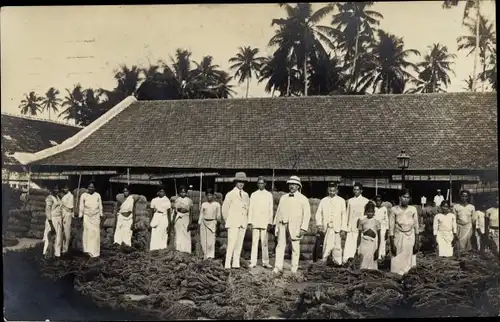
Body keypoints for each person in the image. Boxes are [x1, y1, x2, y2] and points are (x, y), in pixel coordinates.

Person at [273, 176, 311, 275]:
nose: (292, 186)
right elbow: (278, 212)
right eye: (290, 184)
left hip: (295, 226)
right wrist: (275, 225)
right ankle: (278, 267)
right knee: (280, 245)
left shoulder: (303, 199)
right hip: (282, 224)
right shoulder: (283, 197)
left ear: (298, 186)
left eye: (294, 184)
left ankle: (294, 268)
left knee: (295, 246)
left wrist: (303, 228)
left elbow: (307, 214)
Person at [222, 172, 250, 269]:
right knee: (231, 244)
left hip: (242, 223)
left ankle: (236, 263)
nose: (241, 184)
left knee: (239, 244)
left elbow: (247, 209)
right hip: (233, 223)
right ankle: (227, 263)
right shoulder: (230, 194)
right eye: (239, 181)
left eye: (243, 182)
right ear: (235, 182)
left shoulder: (246, 195)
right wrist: (228, 220)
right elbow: (224, 210)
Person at [389, 189, 419, 276]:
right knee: (397, 259)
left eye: (407, 197)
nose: (405, 199)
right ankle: (396, 279)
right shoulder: (394, 210)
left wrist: (417, 242)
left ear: (410, 199)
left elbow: (416, 226)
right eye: (404, 197)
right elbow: (391, 228)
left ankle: (408, 279)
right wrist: (392, 244)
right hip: (398, 237)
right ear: (400, 198)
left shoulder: (413, 209)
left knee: (409, 260)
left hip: (410, 237)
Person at [315, 182, 347, 265]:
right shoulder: (323, 201)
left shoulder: (341, 201)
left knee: (337, 246)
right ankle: (324, 260)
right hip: (328, 227)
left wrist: (343, 229)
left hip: (337, 228)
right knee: (326, 245)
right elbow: (318, 213)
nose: (332, 192)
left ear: (337, 190)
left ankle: (338, 263)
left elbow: (344, 215)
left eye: (333, 191)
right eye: (330, 190)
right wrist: (319, 224)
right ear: (328, 190)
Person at [248, 177, 274, 269]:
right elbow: (250, 208)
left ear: (265, 184)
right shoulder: (253, 195)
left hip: (265, 222)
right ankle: (253, 261)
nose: (260, 185)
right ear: (257, 184)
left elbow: (271, 210)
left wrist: (270, 222)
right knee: (254, 242)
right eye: (259, 183)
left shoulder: (269, 195)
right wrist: (250, 222)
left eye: (262, 183)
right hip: (255, 221)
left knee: (264, 242)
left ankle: (265, 262)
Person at [343, 182, 369, 264]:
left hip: (360, 227)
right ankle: (347, 261)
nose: (356, 191)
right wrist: (345, 226)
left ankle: (358, 262)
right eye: (354, 190)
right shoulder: (350, 201)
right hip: (351, 226)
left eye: (357, 190)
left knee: (359, 244)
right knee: (349, 245)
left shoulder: (365, 201)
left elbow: (366, 215)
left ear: (361, 191)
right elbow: (347, 214)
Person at [78, 181, 104, 258]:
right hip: (87, 217)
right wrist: (80, 216)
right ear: (87, 187)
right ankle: (88, 251)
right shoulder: (84, 195)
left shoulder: (97, 195)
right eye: (89, 186)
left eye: (92, 187)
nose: (91, 188)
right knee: (87, 234)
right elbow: (81, 207)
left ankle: (95, 252)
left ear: (95, 188)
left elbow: (100, 207)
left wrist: (101, 216)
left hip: (95, 217)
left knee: (95, 234)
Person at [357, 202, 381, 270]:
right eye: (368, 212)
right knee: (363, 260)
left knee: (371, 260)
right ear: (365, 212)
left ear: (374, 212)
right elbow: (359, 236)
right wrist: (357, 248)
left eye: (371, 212)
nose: (370, 213)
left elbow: (379, 237)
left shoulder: (377, 222)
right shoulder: (362, 221)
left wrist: (378, 250)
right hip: (364, 243)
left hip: (372, 243)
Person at [198, 188, 222, 259]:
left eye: (210, 195)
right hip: (204, 223)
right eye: (207, 195)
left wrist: (218, 222)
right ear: (206, 196)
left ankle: (210, 256)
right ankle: (205, 255)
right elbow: (201, 215)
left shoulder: (217, 204)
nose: (209, 197)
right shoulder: (204, 204)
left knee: (211, 241)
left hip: (212, 223)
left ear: (213, 195)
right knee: (203, 240)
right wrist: (199, 224)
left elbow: (218, 215)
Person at [43, 185, 63, 258]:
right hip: (52, 219)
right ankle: (47, 254)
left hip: (58, 220)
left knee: (58, 238)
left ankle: (56, 254)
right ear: (52, 189)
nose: (56, 190)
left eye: (58, 189)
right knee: (49, 238)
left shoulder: (57, 197)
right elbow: (47, 211)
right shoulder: (49, 198)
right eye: (55, 189)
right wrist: (51, 225)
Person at [149, 187, 172, 251]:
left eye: (163, 192)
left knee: (163, 233)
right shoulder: (154, 200)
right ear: (158, 192)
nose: (162, 193)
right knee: (155, 233)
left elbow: (169, 212)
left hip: (164, 217)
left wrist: (169, 223)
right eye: (160, 191)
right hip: (156, 216)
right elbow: (151, 212)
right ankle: (154, 249)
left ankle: (162, 249)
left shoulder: (167, 200)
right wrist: (150, 221)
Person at [173, 186, 194, 253]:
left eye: (184, 192)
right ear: (179, 193)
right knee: (178, 233)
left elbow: (191, 212)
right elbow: (175, 211)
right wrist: (173, 220)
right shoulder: (177, 200)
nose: (183, 193)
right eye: (181, 192)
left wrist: (190, 222)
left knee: (186, 233)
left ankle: (186, 250)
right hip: (179, 217)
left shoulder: (189, 200)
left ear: (186, 192)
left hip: (186, 217)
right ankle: (178, 249)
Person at [60, 184, 74, 255]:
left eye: (66, 188)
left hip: (67, 215)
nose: (65, 189)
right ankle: (62, 247)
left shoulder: (70, 196)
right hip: (62, 215)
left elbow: (70, 208)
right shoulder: (64, 196)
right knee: (62, 231)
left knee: (67, 232)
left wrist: (62, 206)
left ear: (69, 188)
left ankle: (66, 248)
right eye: (64, 188)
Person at [374, 195, 389, 260]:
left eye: (379, 201)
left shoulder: (384, 209)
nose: (378, 202)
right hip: (375, 227)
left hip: (383, 227)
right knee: (376, 241)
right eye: (377, 201)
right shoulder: (374, 209)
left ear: (381, 201)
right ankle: (376, 255)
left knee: (383, 241)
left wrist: (387, 230)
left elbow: (386, 220)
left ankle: (382, 255)